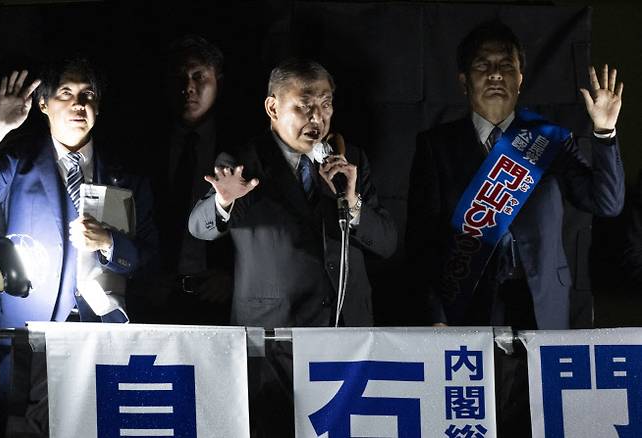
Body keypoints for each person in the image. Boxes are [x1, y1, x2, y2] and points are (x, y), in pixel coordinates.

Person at [406, 20, 625, 438]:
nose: (494, 75)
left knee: (539, 419)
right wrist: (435, 316)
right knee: (476, 418)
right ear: (462, 80)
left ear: (521, 79)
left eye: (506, 66)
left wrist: (604, 131)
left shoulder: (547, 140)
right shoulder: (436, 145)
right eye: (482, 66)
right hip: (465, 300)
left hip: (541, 300)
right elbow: (423, 241)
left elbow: (607, 203)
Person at [188, 58, 397, 437]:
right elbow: (198, 227)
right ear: (273, 108)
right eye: (304, 105)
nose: (317, 117)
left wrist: (352, 203)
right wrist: (223, 203)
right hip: (273, 336)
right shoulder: (243, 161)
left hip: (345, 333)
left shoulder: (350, 159)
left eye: (326, 103)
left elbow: (386, 242)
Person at [0, 58, 157, 328]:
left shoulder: (126, 175)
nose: (79, 104)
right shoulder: (19, 161)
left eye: (88, 94)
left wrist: (109, 243)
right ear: (43, 104)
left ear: (98, 106)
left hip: (100, 330)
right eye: (66, 93)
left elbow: (150, 259)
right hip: (26, 325)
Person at [127, 35, 233, 324]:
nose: (188, 87)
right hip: (154, 296)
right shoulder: (142, 146)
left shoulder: (242, 148)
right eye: (179, 77)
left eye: (199, 76)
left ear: (218, 81)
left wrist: (232, 275)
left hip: (220, 298)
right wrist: (146, 275)